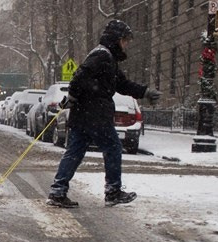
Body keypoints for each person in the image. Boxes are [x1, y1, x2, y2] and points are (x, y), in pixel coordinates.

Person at [47, 20, 161, 208]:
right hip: (95, 114)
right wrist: (73, 96)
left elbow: (122, 84)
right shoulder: (102, 56)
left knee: (74, 152)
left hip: (84, 114)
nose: (126, 45)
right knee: (113, 148)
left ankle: (58, 191)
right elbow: (79, 76)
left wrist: (145, 92)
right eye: (125, 41)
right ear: (116, 39)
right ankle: (113, 191)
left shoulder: (106, 57)